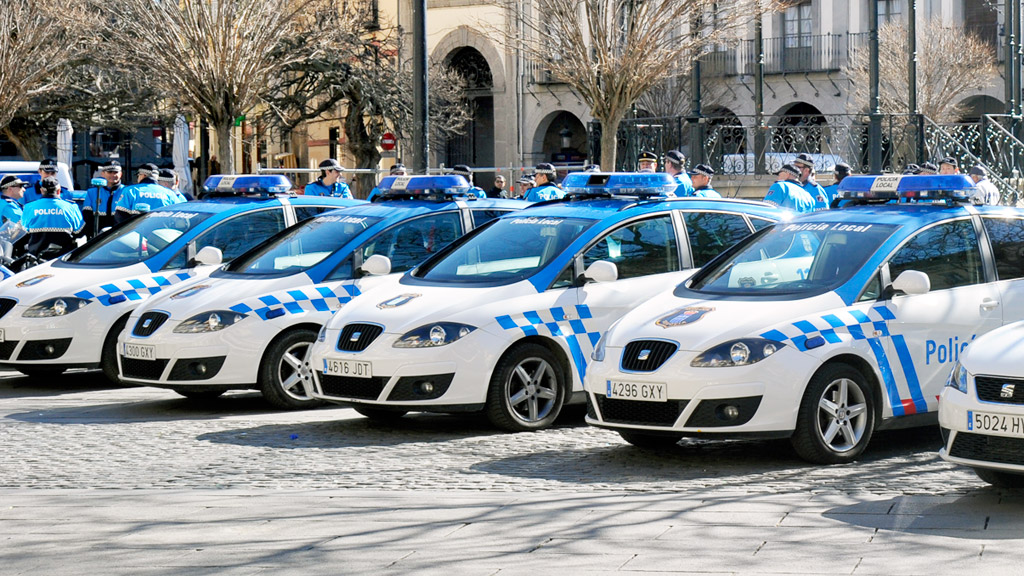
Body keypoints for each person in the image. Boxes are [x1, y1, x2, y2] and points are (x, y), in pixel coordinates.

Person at [20, 176, 84, 257]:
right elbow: (79, 232)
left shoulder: (29, 207)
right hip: (63, 258)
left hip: (36, 259)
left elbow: (23, 232)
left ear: (42, 191)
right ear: (59, 191)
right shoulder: (71, 207)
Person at [113, 163, 183, 223]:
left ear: (143, 175)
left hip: (136, 234)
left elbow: (120, 215)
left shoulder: (130, 190)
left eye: (138, 175)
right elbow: (179, 216)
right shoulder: (170, 193)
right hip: (162, 234)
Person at [82, 160, 125, 235]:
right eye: (109, 172)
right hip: (98, 235)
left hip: (121, 233)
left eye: (115, 172)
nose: (113, 175)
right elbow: (87, 217)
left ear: (121, 174)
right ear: (103, 174)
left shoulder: (126, 191)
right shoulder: (92, 192)